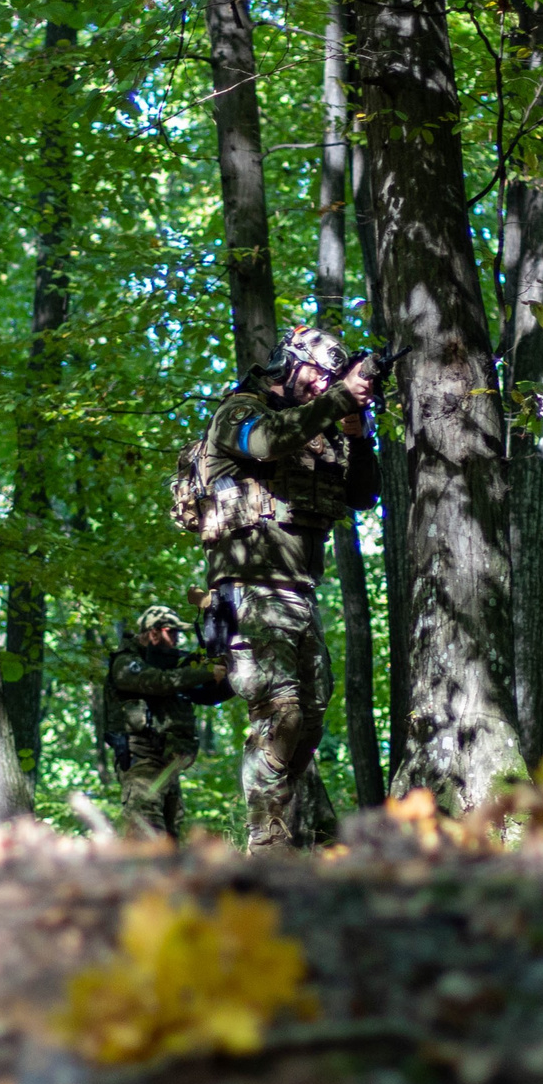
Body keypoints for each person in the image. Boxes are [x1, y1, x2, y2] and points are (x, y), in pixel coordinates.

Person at [199, 325, 386, 850]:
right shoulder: (240, 412)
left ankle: (282, 836)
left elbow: (364, 493)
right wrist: (341, 397)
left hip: (298, 594)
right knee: (279, 711)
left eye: (333, 378)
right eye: (319, 374)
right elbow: (268, 442)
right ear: (290, 361)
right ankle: (266, 849)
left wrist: (357, 430)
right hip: (249, 588)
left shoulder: (322, 428)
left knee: (310, 716)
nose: (322, 385)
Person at [100, 604, 228, 839]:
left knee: (171, 833)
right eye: (173, 632)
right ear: (154, 633)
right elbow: (158, 682)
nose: (177, 640)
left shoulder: (171, 666)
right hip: (140, 757)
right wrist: (205, 671)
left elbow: (203, 694)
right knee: (145, 824)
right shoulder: (127, 663)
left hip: (168, 760)